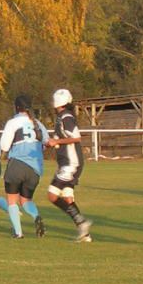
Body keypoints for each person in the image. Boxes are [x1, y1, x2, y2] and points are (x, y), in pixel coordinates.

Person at [45, 89, 93, 242]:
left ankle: (82, 222)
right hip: (67, 163)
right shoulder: (61, 117)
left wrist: (56, 141)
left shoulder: (66, 117)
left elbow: (76, 138)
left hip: (71, 163)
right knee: (67, 197)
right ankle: (84, 233)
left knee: (52, 195)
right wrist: (51, 142)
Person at [0, 95, 49, 238]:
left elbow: (4, 146)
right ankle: (36, 217)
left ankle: (18, 232)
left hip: (17, 164)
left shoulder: (13, 122)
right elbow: (45, 144)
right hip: (35, 168)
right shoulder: (39, 124)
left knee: (12, 200)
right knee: (26, 200)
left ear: (16, 107)